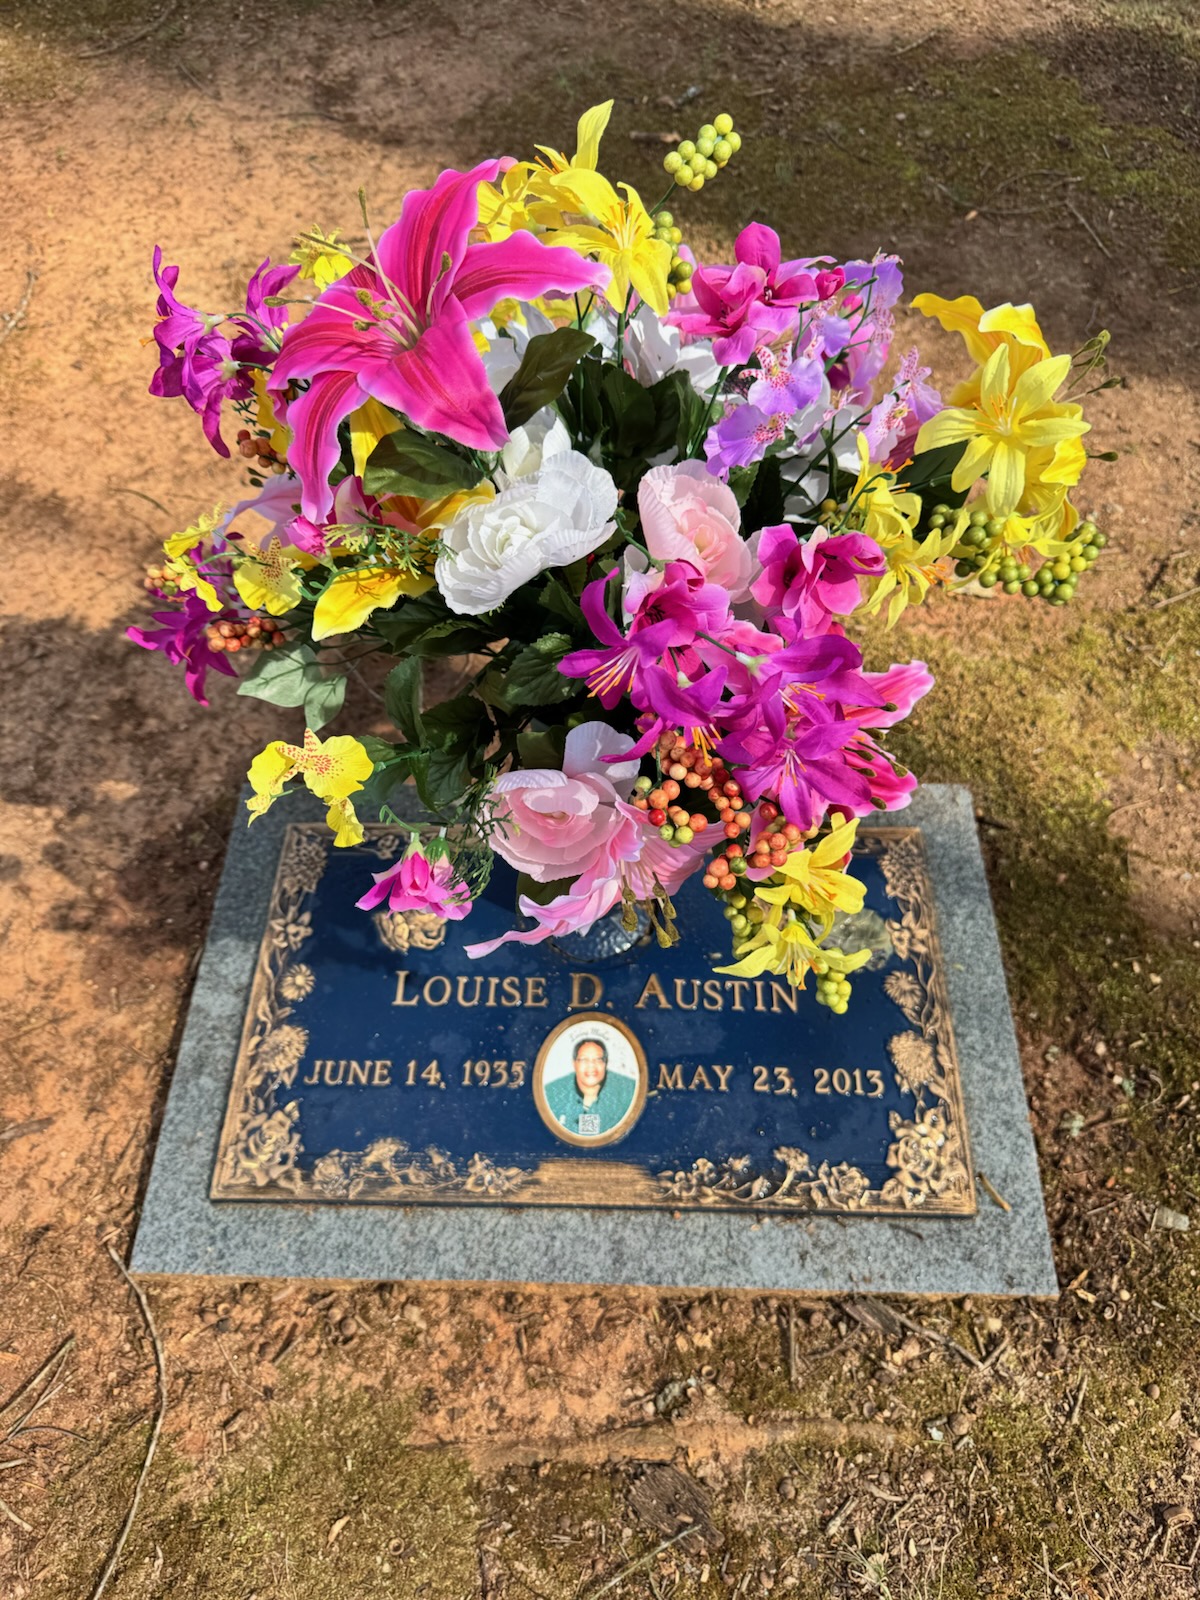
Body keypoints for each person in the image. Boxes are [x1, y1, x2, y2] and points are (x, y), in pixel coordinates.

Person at [544, 1035, 635, 1138]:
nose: (591, 1066)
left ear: (605, 1063)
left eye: (598, 1060)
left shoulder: (629, 1091)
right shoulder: (552, 1093)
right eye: (584, 1060)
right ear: (574, 1063)